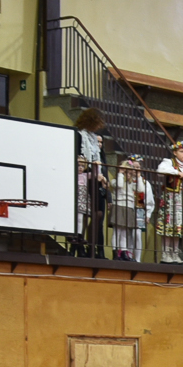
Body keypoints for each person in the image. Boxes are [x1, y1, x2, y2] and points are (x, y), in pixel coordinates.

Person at [108, 155, 154, 261]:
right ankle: (118, 252)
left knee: (132, 234)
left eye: (137, 168)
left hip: (133, 209)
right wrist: (121, 173)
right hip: (121, 207)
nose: (134, 171)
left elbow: (143, 192)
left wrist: (138, 177)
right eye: (132, 168)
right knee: (120, 232)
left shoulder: (137, 183)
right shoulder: (118, 181)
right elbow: (119, 185)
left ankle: (131, 256)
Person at [74, 108, 106, 256]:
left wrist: (100, 175)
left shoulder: (94, 138)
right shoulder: (79, 135)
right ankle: (78, 245)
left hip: (94, 179)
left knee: (96, 214)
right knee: (81, 214)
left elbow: (99, 159)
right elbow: (79, 157)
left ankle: (93, 248)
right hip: (83, 178)